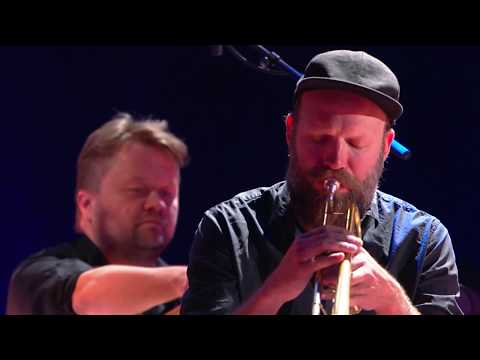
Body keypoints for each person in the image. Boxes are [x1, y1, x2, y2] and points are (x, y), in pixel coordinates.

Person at [181, 50, 462, 315]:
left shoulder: (424, 238)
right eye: (319, 138)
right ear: (291, 132)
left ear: (386, 146)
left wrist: (393, 302)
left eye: (355, 143)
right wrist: (273, 293)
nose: (335, 160)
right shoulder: (228, 227)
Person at [7, 113, 189, 315]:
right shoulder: (38, 279)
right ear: (86, 204)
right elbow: (88, 298)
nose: (156, 204)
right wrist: (191, 280)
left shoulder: (184, 296)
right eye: (137, 190)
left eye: (167, 193)